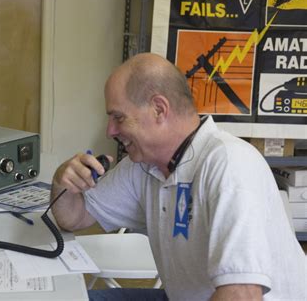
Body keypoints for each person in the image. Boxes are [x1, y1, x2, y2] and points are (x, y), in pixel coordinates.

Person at [50, 53, 306, 301]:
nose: (110, 131)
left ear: (159, 109)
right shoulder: (144, 166)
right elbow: (74, 217)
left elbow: (242, 296)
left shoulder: (229, 164)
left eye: (119, 117)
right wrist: (63, 183)